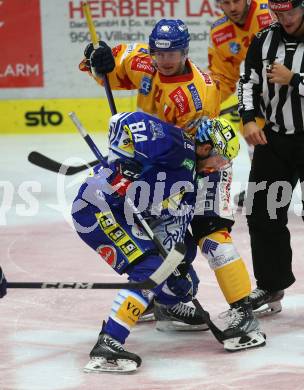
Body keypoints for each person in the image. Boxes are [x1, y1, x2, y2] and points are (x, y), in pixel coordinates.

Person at [71, 112, 257, 372]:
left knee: (183, 277)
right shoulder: (175, 144)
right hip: (97, 208)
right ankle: (109, 342)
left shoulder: (193, 177)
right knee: (151, 271)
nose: (220, 166)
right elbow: (123, 119)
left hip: (125, 216)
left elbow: (174, 230)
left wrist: (176, 270)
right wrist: (123, 161)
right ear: (204, 148)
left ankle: (165, 308)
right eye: (220, 158)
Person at [238, 0, 304, 315]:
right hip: (275, 137)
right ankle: (270, 285)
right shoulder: (264, 39)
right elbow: (247, 83)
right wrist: (249, 118)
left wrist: (294, 79)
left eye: (291, 12)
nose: (286, 19)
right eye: (279, 13)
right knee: (262, 212)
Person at [80, 19, 220, 133]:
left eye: (172, 54)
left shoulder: (198, 99)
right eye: (159, 54)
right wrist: (96, 61)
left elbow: (197, 154)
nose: (165, 61)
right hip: (145, 144)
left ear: (185, 53)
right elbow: (108, 73)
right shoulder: (141, 61)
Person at [208, 0, 273, 206]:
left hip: (288, 86)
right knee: (254, 135)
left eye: (236, 1)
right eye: (226, 3)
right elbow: (223, 78)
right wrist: (206, 104)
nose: (232, 8)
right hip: (257, 95)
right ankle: (262, 186)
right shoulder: (219, 33)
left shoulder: (269, 12)